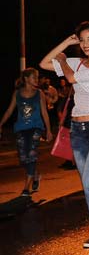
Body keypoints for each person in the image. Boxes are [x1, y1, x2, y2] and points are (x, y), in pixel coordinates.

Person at [40, 22, 89, 253]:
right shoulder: (77, 62)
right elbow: (43, 63)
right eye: (82, 40)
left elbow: (72, 80)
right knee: (86, 183)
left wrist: (64, 60)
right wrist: (66, 43)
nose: (85, 44)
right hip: (78, 131)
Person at [0, 68, 53, 197]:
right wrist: (0, 124)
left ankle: (26, 188)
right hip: (21, 128)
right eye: (34, 77)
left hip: (36, 127)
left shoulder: (39, 94)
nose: (37, 80)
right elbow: (9, 110)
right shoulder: (17, 93)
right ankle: (35, 175)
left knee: (32, 153)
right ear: (26, 79)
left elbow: (44, 113)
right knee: (24, 158)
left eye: (37, 77)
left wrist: (49, 130)